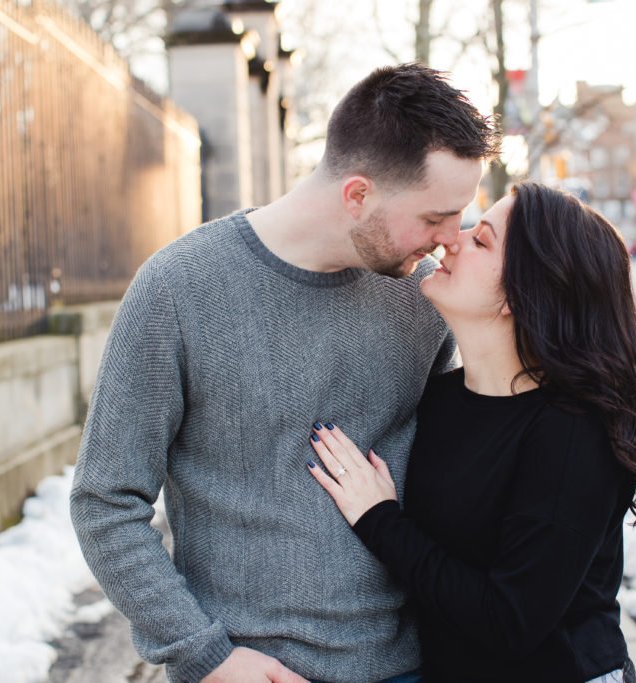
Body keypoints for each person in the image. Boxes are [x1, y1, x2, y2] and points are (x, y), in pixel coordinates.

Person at [69, 63, 500, 683]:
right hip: (242, 669)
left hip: (404, 666)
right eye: (435, 218)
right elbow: (106, 500)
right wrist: (203, 655)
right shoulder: (179, 289)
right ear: (358, 195)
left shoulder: (426, 300)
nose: (447, 239)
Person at [308, 182, 636, 682]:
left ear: (523, 296)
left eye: (481, 240)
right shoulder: (439, 398)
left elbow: (509, 621)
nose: (449, 241)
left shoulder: (571, 435)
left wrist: (379, 520)